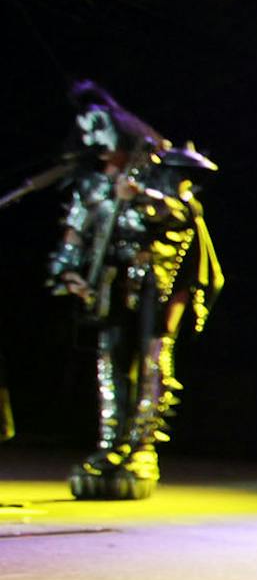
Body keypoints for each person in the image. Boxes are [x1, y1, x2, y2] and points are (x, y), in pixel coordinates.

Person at [42, 81, 222, 499]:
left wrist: (140, 196)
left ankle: (142, 449)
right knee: (110, 363)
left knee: (153, 361)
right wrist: (67, 273)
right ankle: (110, 446)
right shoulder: (92, 187)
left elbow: (181, 213)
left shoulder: (159, 174)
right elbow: (72, 238)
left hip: (156, 286)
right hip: (109, 285)